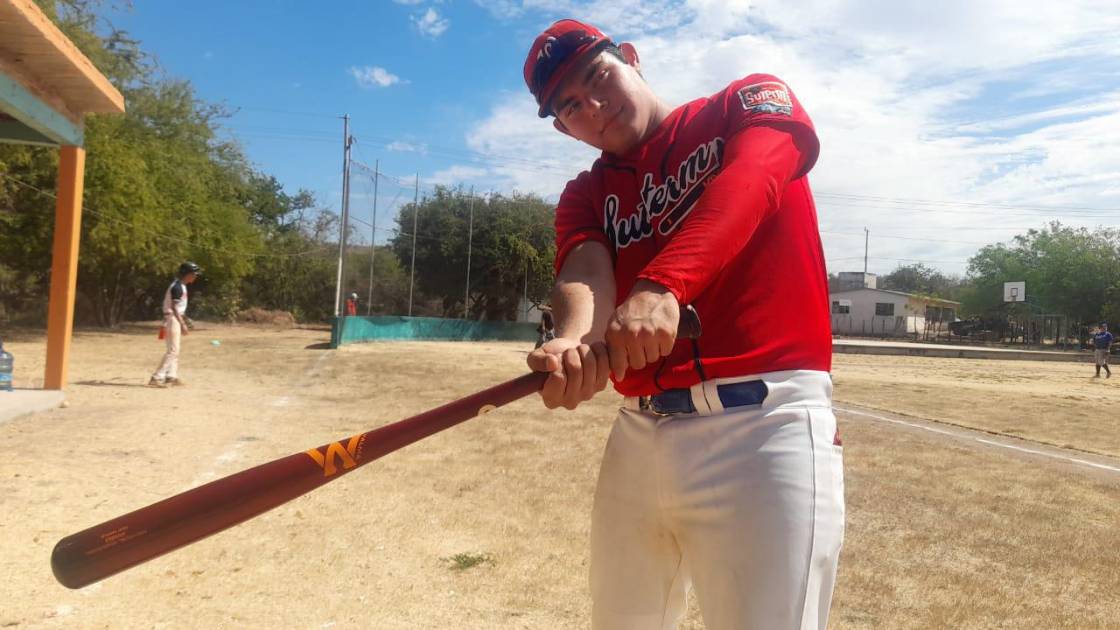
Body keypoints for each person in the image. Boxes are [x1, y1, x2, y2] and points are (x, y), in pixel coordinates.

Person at [522, 19, 843, 630]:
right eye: (570, 106)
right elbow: (585, 268)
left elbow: (753, 179)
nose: (594, 105)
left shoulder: (743, 102)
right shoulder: (585, 194)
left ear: (631, 58)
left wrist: (663, 284)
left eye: (599, 76)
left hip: (763, 424)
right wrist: (574, 341)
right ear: (563, 128)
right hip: (638, 432)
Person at [149, 262, 200, 388]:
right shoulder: (177, 287)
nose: (195, 276)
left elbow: (179, 307)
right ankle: (157, 377)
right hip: (172, 318)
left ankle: (171, 376)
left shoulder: (181, 285)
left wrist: (184, 319)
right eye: (193, 274)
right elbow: (174, 307)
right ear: (187, 274)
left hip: (174, 318)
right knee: (173, 350)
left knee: (175, 350)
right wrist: (182, 323)